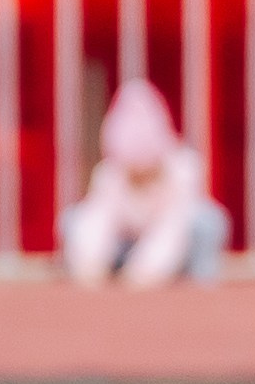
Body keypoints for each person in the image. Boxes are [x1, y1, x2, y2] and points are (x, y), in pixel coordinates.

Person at [59, 79, 228, 288]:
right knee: (73, 219)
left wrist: (146, 271)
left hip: (175, 251)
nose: (139, 175)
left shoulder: (183, 170)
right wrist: (89, 265)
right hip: (127, 246)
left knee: (206, 221)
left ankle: (199, 281)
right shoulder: (109, 175)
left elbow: (173, 227)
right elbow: (96, 221)